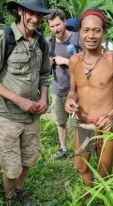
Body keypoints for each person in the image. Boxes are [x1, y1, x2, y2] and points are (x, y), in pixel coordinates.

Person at [0, 0, 51, 202]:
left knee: (28, 159)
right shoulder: (4, 38)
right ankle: (10, 198)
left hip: (33, 116)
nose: (35, 19)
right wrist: (19, 100)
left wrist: (44, 98)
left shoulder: (42, 43)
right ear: (20, 11)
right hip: (8, 116)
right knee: (11, 167)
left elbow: (45, 74)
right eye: (30, 13)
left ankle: (19, 192)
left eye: (39, 15)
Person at [64, 10, 113, 186]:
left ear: (104, 33)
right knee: (81, 167)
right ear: (79, 32)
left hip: (105, 127)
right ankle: (90, 196)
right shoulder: (74, 61)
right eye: (86, 30)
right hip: (83, 124)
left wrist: (111, 115)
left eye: (96, 30)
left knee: (104, 174)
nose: (91, 36)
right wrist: (69, 100)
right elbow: (73, 91)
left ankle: (103, 200)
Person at [46, 9, 84, 159]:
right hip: (57, 88)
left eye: (58, 24)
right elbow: (45, 66)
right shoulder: (50, 42)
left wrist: (66, 61)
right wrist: (48, 63)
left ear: (65, 22)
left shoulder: (77, 39)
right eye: (52, 26)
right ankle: (63, 149)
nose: (56, 29)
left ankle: (79, 151)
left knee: (77, 123)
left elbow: (87, 63)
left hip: (76, 89)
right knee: (60, 122)